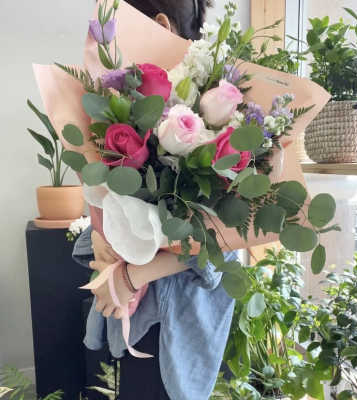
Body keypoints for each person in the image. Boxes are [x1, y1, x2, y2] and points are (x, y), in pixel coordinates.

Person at [72, 1, 239, 399]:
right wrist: (103, 242)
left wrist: (130, 277)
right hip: (134, 308)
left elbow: (217, 239)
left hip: (176, 315)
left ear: (160, 24)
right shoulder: (127, 103)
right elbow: (105, 190)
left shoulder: (214, 107)